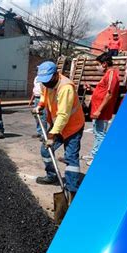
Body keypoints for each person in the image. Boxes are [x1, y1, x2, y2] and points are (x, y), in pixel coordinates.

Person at [32, 61, 85, 200]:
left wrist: (51, 134)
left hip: (73, 126)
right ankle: (52, 175)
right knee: (45, 150)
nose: (46, 84)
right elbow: (45, 95)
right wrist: (40, 106)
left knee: (71, 157)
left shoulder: (65, 87)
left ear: (56, 74)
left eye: (48, 80)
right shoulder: (47, 83)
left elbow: (63, 115)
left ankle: (71, 189)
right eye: (44, 82)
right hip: (58, 125)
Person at [82, 53, 120, 166]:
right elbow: (102, 92)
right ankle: (93, 153)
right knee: (97, 133)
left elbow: (109, 94)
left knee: (100, 134)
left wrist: (99, 110)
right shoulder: (107, 74)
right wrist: (91, 89)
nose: (96, 67)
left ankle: (97, 157)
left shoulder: (112, 74)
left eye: (98, 64)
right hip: (98, 110)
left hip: (102, 112)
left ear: (104, 64)